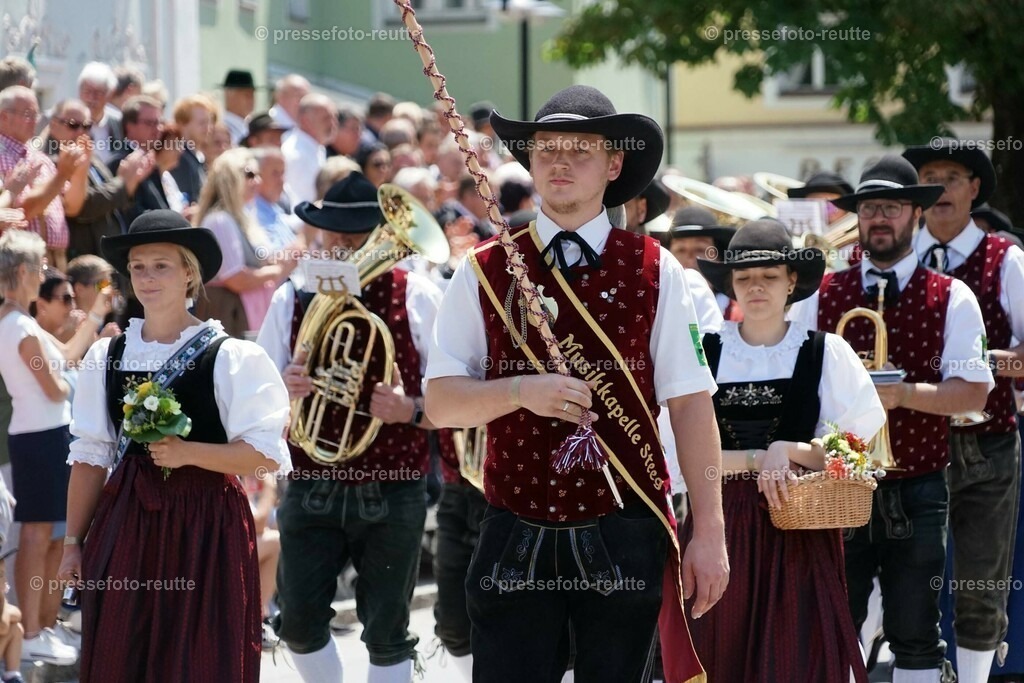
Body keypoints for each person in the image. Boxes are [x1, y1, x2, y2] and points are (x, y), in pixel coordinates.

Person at [424, 85, 728, 683]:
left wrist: (710, 534)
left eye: (579, 150)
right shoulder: (482, 270)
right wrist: (518, 392)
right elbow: (439, 404)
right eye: (546, 149)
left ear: (615, 165)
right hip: (514, 530)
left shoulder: (656, 268)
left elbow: (692, 406)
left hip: (625, 529)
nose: (559, 162)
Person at [56, 209, 292, 682]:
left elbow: (267, 455)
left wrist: (189, 454)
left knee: (200, 655)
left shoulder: (229, 356)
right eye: (138, 267)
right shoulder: (109, 354)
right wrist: (71, 545)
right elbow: (90, 456)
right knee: (122, 652)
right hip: (128, 519)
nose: (146, 277)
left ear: (189, 272)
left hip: (206, 524)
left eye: (161, 265)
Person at [788, 156, 994, 683]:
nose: (880, 218)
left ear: (916, 215)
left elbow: (974, 392)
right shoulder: (823, 295)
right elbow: (797, 383)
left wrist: (902, 395)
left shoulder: (953, 296)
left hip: (920, 487)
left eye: (893, 208)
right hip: (839, 485)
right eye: (870, 208)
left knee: (915, 631)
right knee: (831, 623)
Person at [256, 171, 443, 683]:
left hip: (394, 486)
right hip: (313, 482)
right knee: (296, 622)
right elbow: (257, 396)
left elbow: (456, 393)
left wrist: (409, 409)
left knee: (387, 630)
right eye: (333, 237)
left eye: (355, 238)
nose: (342, 247)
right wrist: (285, 387)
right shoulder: (289, 298)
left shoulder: (417, 293)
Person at [685, 218, 885, 681]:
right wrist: (759, 458)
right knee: (721, 650)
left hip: (800, 520)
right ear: (731, 285)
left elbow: (856, 447)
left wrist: (788, 449)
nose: (756, 287)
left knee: (795, 655)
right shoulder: (705, 353)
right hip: (721, 521)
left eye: (770, 276)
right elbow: (680, 452)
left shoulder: (825, 351)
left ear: (792, 282)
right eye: (745, 278)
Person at [903, 139, 1024, 683]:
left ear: (974, 189)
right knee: (898, 577)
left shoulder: (1007, 258)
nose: (941, 189)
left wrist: (982, 363)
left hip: (987, 444)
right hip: (909, 440)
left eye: (952, 177)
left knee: (979, 587)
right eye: (930, 177)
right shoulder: (901, 259)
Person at [0, 229, 113, 665]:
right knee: (37, 536)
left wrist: (94, 320)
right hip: (39, 438)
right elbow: (53, 386)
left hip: (46, 437)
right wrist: (72, 379)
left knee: (52, 538)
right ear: (25, 272)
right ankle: (30, 630)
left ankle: (42, 627)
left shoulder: (19, 322)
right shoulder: (18, 326)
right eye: (42, 267)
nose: (45, 274)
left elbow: (64, 358)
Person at [195, 148, 295, 337]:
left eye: (257, 175)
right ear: (229, 178)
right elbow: (236, 279)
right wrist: (276, 271)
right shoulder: (219, 220)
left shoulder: (243, 217)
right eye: (249, 174)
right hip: (227, 314)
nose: (256, 181)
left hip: (246, 313)